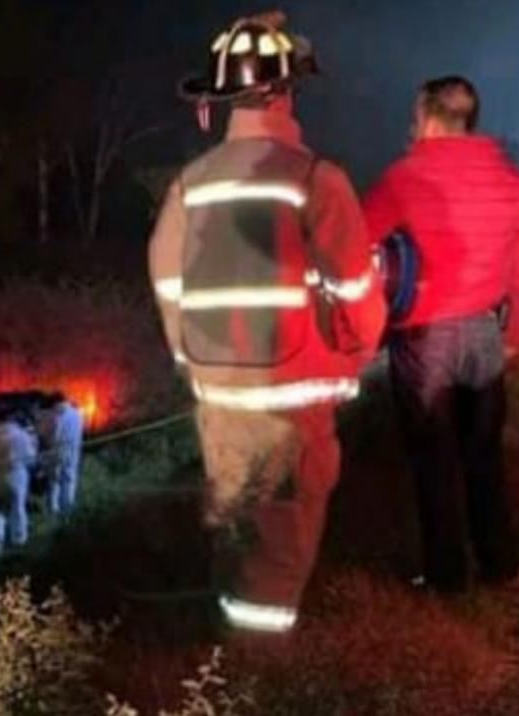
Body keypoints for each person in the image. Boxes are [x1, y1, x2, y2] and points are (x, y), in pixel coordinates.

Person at [147, 12, 385, 636]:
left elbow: (170, 289)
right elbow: (360, 298)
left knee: (235, 541)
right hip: (292, 412)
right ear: (286, 92)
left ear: (220, 100)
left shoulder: (188, 186)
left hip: (218, 405)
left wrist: (197, 365)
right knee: (278, 564)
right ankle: (260, 684)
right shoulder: (316, 180)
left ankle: (224, 664)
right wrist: (348, 360)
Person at [363, 76, 519, 594]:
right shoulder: (514, 183)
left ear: (426, 117)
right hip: (486, 335)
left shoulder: (405, 176)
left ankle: (447, 578)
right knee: (484, 456)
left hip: (426, 340)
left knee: (433, 458)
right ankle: (500, 567)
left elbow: (358, 241)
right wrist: (515, 333)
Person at [0, 414, 39, 553]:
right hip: (17, 476)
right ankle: (19, 540)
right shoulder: (22, 435)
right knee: (18, 508)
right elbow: (31, 458)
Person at [36, 392, 84, 520]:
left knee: (55, 482)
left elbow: (54, 437)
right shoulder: (77, 414)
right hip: (74, 450)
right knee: (70, 480)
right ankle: (68, 510)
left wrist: (45, 448)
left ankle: (54, 511)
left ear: (56, 403)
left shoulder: (57, 416)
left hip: (58, 452)